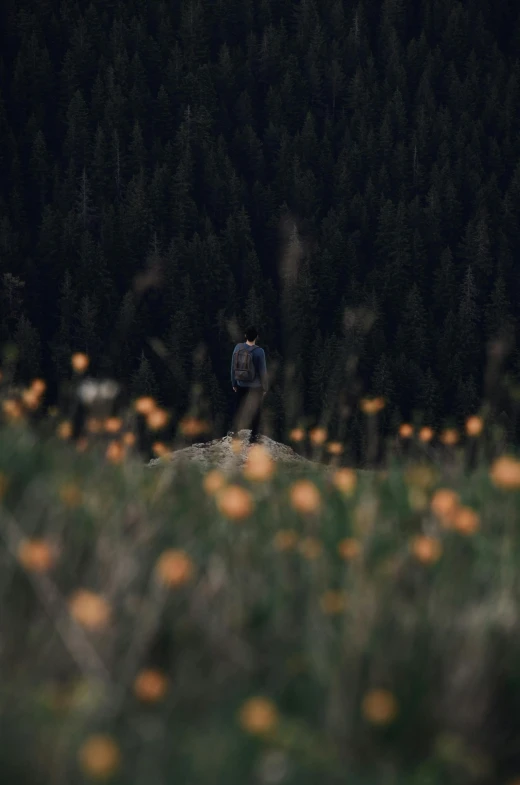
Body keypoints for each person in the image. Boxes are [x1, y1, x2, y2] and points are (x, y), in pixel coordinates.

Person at [229, 326, 268, 444]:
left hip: (240, 383)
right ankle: (254, 435)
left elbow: (233, 368)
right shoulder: (259, 351)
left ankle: (235, 432)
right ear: (257, 337)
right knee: (256, 410)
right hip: (255, 386)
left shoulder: (238, 347)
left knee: (239, 408)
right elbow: (263, 371)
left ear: (245, 336)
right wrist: (265, 387)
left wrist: (234, 383)